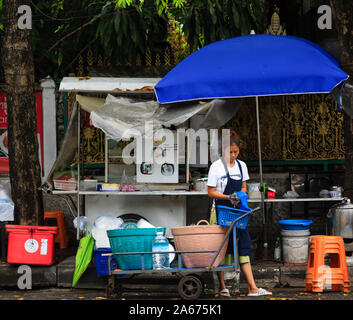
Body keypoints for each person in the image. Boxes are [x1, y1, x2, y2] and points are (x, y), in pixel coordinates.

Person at [207, 131, 272, 297]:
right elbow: (211, 192)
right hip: (221, 211)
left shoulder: (241, 166)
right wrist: (228, 197)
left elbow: (244, 187)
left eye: (236, 152)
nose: (234, 155)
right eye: (230, 152)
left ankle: (252, 288)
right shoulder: (216, 167)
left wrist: (240, 196)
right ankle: (222, 287)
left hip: (238, 212)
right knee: (221, 248)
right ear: (223, 149)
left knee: (244, 245)